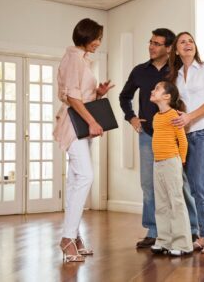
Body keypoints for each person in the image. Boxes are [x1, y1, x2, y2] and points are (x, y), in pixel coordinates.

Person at [119, 29, 199, 249]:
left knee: (180, 183)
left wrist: (185, 118)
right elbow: (124, 96)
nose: (151, 46)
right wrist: (132, 118)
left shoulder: (177, 69)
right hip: (147, 135)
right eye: (150, 42)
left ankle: (192, 229)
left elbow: (186, 96)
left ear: (168, 48)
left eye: (157, 43)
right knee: (148, 184)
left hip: (172, 134)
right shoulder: (139, 71)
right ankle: (154, 231)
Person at [53, 18, 114, 262]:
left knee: (76, 179)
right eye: (97, 38)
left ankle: (74, 236)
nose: (99, 43)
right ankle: (67, 238)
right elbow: (72, 97)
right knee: (86, 176)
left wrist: (97, 93)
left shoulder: (82, 59)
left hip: (81, 126)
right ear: (86, 37)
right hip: (76, 125)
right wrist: (91, 121)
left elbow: (82, 95)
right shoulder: (73, 58)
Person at [168, 31, 204, 254]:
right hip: (186, 136)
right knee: (190, 187)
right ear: (177, 50)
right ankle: (200, 235)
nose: (188, 44)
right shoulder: (176, 77)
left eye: (190, 41)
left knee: (200, 185)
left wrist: (189, 117)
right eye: (182, 42)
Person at [150, 81, 193, 256]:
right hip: (157, 162)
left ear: (167, 96)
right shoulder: (156, 117)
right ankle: (164, 241)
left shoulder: (173, 115)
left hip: (171, 162)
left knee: (176, 202)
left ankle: (183, 244)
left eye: (157, 89)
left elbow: (182, 141)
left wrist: (180, 161)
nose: (153, 90)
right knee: (161, 203)